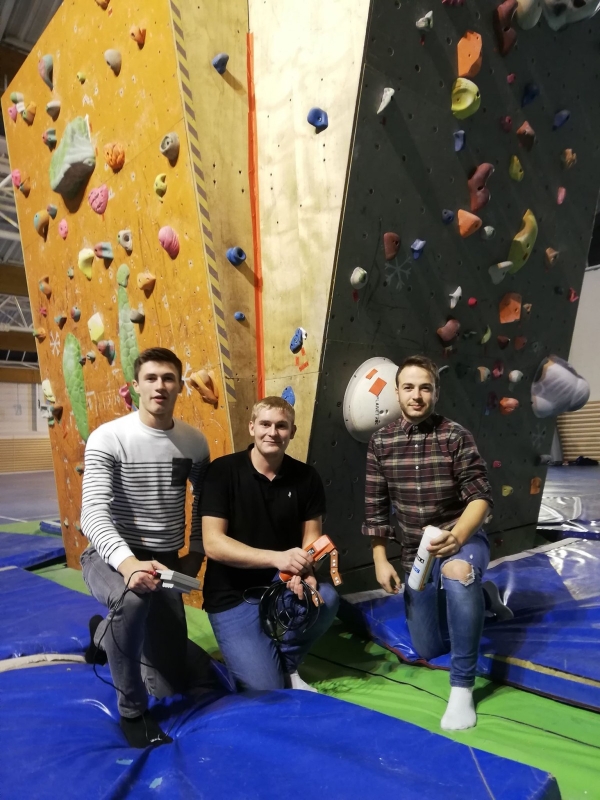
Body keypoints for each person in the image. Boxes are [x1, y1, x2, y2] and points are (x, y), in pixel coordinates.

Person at [362, 354, 512, 731]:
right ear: (396, 393)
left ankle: (461, 687)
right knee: (429, 647)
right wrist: (380, 558)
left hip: (460, 537)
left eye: (425, 388)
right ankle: (485, 596)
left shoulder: (454, 436)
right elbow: (375, 506)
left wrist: (458, 536)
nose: (417, 395)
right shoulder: (381, 442)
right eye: (409, 387)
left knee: (459, 573)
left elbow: (481, 497)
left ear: (436, 392)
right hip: (416, 551)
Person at [80, 347, 214, 748]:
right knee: (133, 602)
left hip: (167, 559)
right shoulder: (110, 437)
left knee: (169, 679)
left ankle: (103, 634)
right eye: (151, 378)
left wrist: (195, 550)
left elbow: (203, 501)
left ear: (179, 386)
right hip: (112, 554)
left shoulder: (194, 441)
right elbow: (92, 514)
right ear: (135, 387)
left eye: (169, 378)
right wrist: (128, 564)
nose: (160, 386)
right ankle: (133, 712)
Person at [201, 396, 340, 691]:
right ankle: (260, 658)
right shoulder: (223, 472)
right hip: (231, 595)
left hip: (281, 583)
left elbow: (311, 538)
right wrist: (278, 559)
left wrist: (304, 571)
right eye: (265, 424)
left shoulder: (307, 477)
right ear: (252, 427)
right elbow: (213, 544)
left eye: (281, 426)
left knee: (325, 596)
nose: (272, 432)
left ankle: (288, 665)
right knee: (264, 688)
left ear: (292, 431)